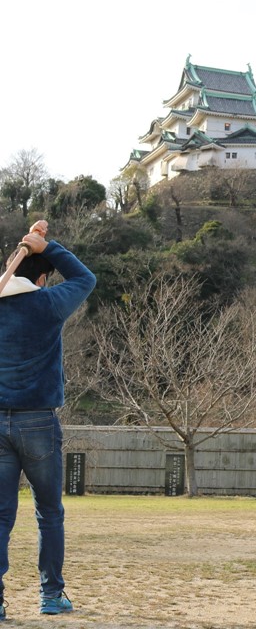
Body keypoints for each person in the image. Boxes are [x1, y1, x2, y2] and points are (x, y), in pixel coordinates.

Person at [0, 220, 96, 620]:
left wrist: (30, 248)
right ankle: (51, 596)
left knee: (1, 515)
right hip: (38, 421)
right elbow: (85, 278)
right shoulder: (48, 304)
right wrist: (46, 245)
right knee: (49, 512)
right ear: (41, 279)